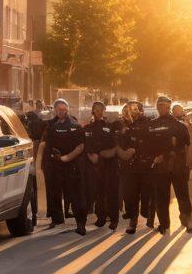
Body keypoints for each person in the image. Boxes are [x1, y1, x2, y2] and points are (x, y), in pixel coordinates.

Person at [146, 97, 192, 234]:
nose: (161, 107)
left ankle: (188, 223)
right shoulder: (151, 125)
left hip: (177, 166)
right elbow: (147, 146)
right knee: (161, 197)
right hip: (160, 167)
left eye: (164, 105)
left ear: (169, 107)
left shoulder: (179, 125)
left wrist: (188, 165)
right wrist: (155, 158)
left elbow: (186, 145)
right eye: (159, 105)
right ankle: (164, 224)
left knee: (183, 196)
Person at [38, 98, 87, 235]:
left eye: (64, 109)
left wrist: (67, 158)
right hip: (54, 165)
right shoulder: (50, 125)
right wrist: (40, 163)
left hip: (71, 164)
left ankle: (81, 224)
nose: (62, 112)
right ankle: (57, 218)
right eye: (59, 109)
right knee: (54, 193)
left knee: (76, 195)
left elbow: (80, 146)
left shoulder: (74, 125)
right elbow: (44, 144)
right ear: (55, 110)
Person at [119, 101, 159, 235]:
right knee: (130, 195)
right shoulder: (124, 125)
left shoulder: (149, 123)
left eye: (135, 109)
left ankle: (146, 213)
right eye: (130, 110)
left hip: (146, 165)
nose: (132, 112)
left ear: (141, 110)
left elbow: (156, 142)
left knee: (147, 193)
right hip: (130, 167)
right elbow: (120, 145)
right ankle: (133, 222)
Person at [82, 101, 121, 231]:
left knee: (111, 192)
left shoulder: (110, 127)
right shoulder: (87, 128)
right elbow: (85, 144)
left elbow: (115, 146)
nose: (98, 112)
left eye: (101, 110)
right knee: (98, 192)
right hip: (93, 164)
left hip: (109, 164)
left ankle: (114, 219)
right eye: (96, 110)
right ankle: (101, 217)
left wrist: (104, 154)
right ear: (92, 111)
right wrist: (90, 155)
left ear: (104, 111)